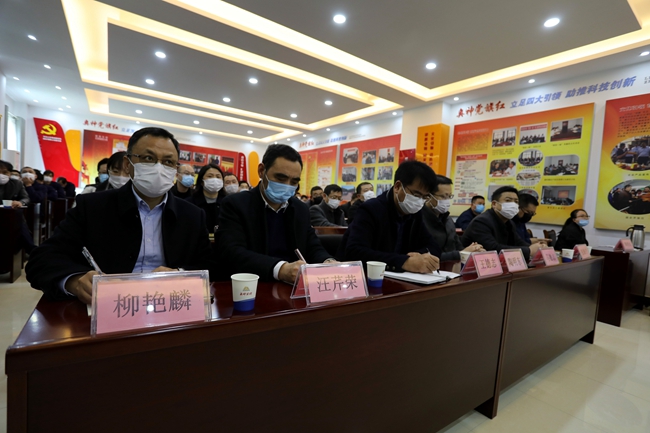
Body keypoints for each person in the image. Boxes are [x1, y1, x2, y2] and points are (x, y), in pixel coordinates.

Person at [26, 127, 215, 303]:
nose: (159, 168)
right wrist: (75, 281)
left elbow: (209, 265)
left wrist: (180, 274)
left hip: (168, 305)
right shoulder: (92, 206)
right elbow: (42, 259)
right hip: (107, 306)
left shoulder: (192, 215)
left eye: (168, 162)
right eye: (148, 158)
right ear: (127, 164)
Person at [215, 144, 334, 283]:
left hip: (293, 286)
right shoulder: (236, 204)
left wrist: (327, 261)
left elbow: (312, 245)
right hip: (252, 285)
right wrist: (280, 269)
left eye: (294, 182)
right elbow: (232, 252)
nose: (287, 186)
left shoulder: (300, 209)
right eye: (280, 179)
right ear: (261, 171)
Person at [339, 161, 441, 273]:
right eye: (416, 195)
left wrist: (419, 257)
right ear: (397, 186)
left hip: (399, 277)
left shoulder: (415, 214)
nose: (419, 201)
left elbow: (433, 246)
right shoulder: (371, 209)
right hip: (360, 276)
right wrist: (404, 261)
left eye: (425, 197)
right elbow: (355, 252)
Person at [461, 186, 541, 261]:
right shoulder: (481, 221)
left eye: (516, 202)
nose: (513, 204)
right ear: (494, 204)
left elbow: (518, 242)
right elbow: (493, 249)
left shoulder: (509, 222)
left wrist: (538, 248)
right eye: (508, 200)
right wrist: (528, 250)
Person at [422, 176, 483, 261]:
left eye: (449, 196)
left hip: (452, 267)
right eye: (443, 196)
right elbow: (426, 257)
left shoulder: (448, 219)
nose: (447, 201)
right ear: (428, 196)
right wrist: (461, 254)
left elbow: (458, 245)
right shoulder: (418, 220)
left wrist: (473, 249)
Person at [185, 163, 225, 233]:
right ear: (201, 181)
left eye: (218, 177)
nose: (215, 180)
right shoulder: (189, 203)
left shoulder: (228, 203)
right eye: (210, 176)